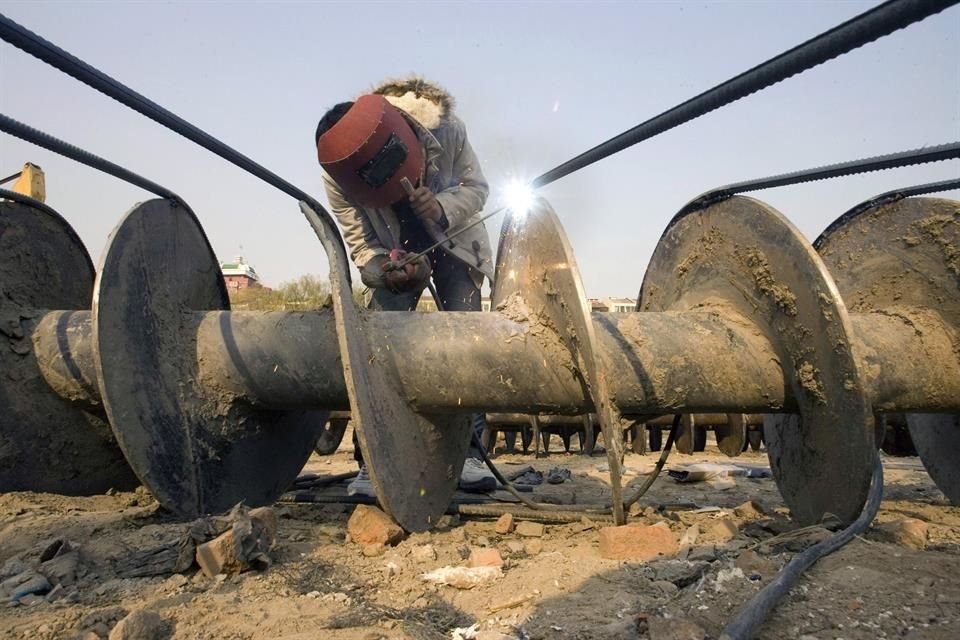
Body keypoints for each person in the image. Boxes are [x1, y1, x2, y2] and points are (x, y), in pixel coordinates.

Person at [315, 77, 497, 496]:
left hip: (455, 241)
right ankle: (372, 461)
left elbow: (478, 189)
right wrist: (384, 269)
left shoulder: (446, 129)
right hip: (398, 250)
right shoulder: (337, 175)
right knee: (375, 348)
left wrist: (441, 206)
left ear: (406, 136)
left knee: (467, 342)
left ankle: (470, 454)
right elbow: (361, 243)